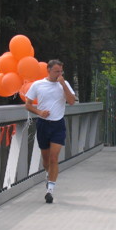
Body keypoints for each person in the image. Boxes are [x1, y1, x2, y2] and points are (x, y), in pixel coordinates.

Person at [25, 59, 76, 203]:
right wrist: (39, 112)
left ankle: (50, 190)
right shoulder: (38, 85)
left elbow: (71, 101)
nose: (59, 74)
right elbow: (27, 105)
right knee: (46, 159)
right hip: (43, 124)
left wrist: (63, 84)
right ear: (48, 70)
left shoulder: (64, 85)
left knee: (54, 158)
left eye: (61, 71)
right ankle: (48, 174)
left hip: (58, 124)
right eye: (56, 71)